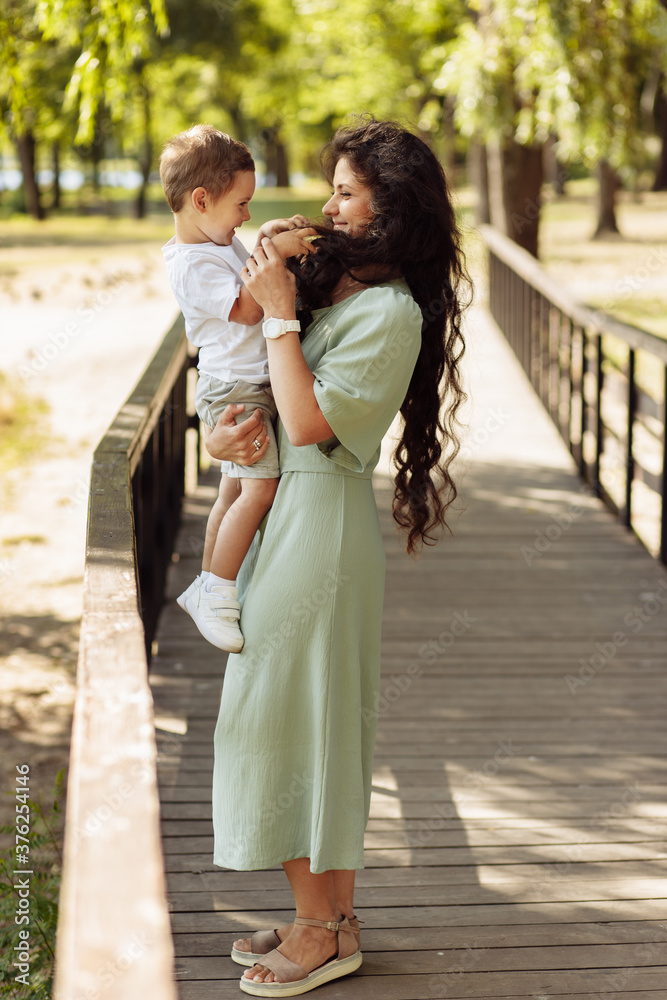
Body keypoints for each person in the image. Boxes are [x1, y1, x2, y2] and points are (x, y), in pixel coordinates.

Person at [205, 116, 469, 996]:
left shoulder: (390, 313)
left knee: (281, 721)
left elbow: (313, 423)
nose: (329, 205)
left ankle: (318, 928)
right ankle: (329, 920)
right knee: (302, 721)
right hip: (288, 513)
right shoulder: (349, 289)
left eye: (347, 192)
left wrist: (282, 314)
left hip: (318, 529)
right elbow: (264, 398)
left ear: (391, 207)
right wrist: (227, 433)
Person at [159, 123, 316, 652]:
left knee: (231, 493)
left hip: (243, 383)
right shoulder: (193, 264)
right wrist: (281, 255)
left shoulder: (215, 240)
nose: (246, 216)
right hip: (235, 390)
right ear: (201, 200)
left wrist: (268, 237)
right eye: (242, 205)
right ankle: (219, 591)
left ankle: (206, 582)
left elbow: (247, 271)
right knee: (259, 490)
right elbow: (250, 307)